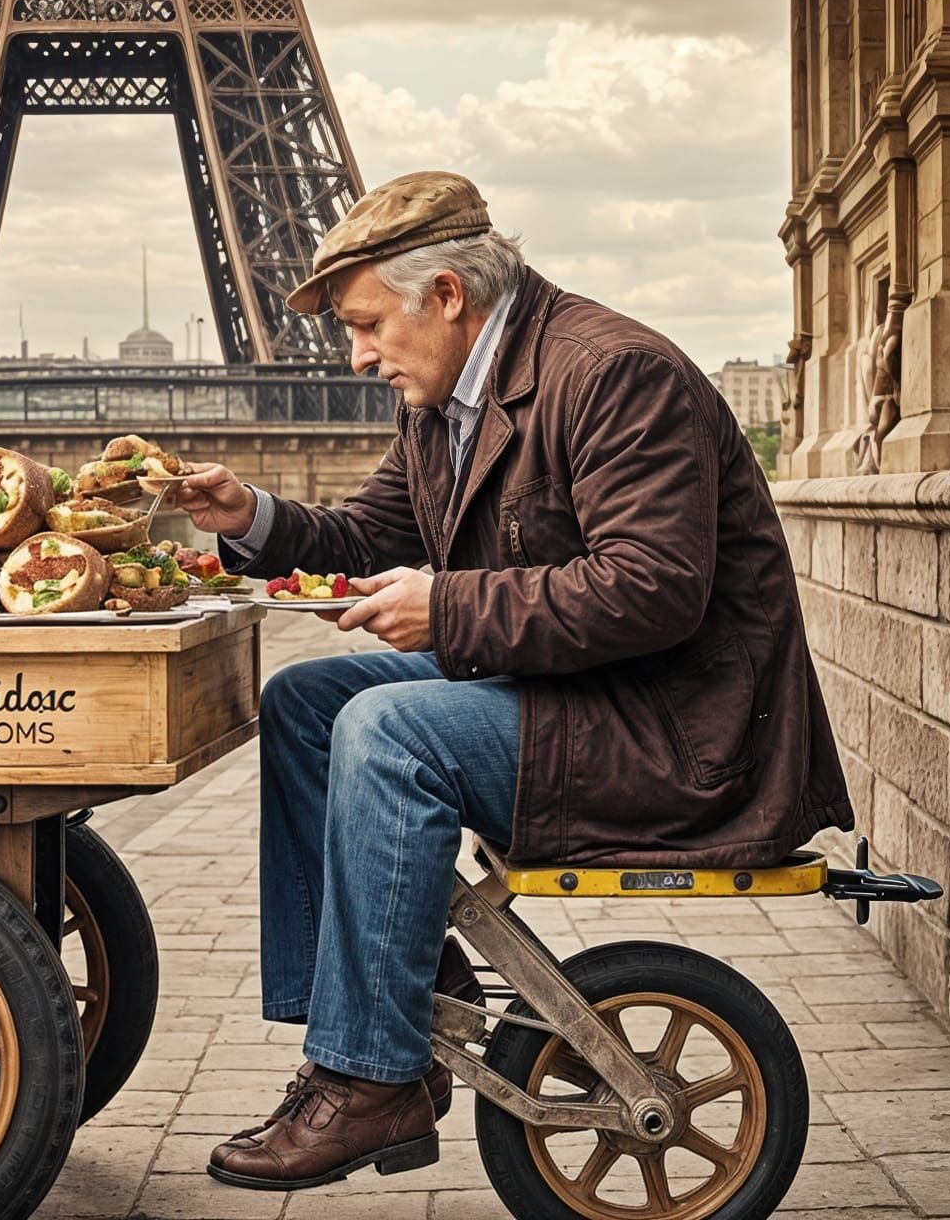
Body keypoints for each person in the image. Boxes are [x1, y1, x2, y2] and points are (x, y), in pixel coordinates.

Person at [169, 170, 852, 1193]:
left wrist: (448, 606)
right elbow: (366, 534)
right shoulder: (449, 397)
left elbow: (655, 586)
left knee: (390, 729)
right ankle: (390, 996)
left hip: (682, 737)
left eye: (365, 324)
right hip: (591, 707)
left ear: (446, 292)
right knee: (307, 703)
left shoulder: (614, 370)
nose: (357, 355)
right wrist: (250, 517)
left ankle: (370, 1075)